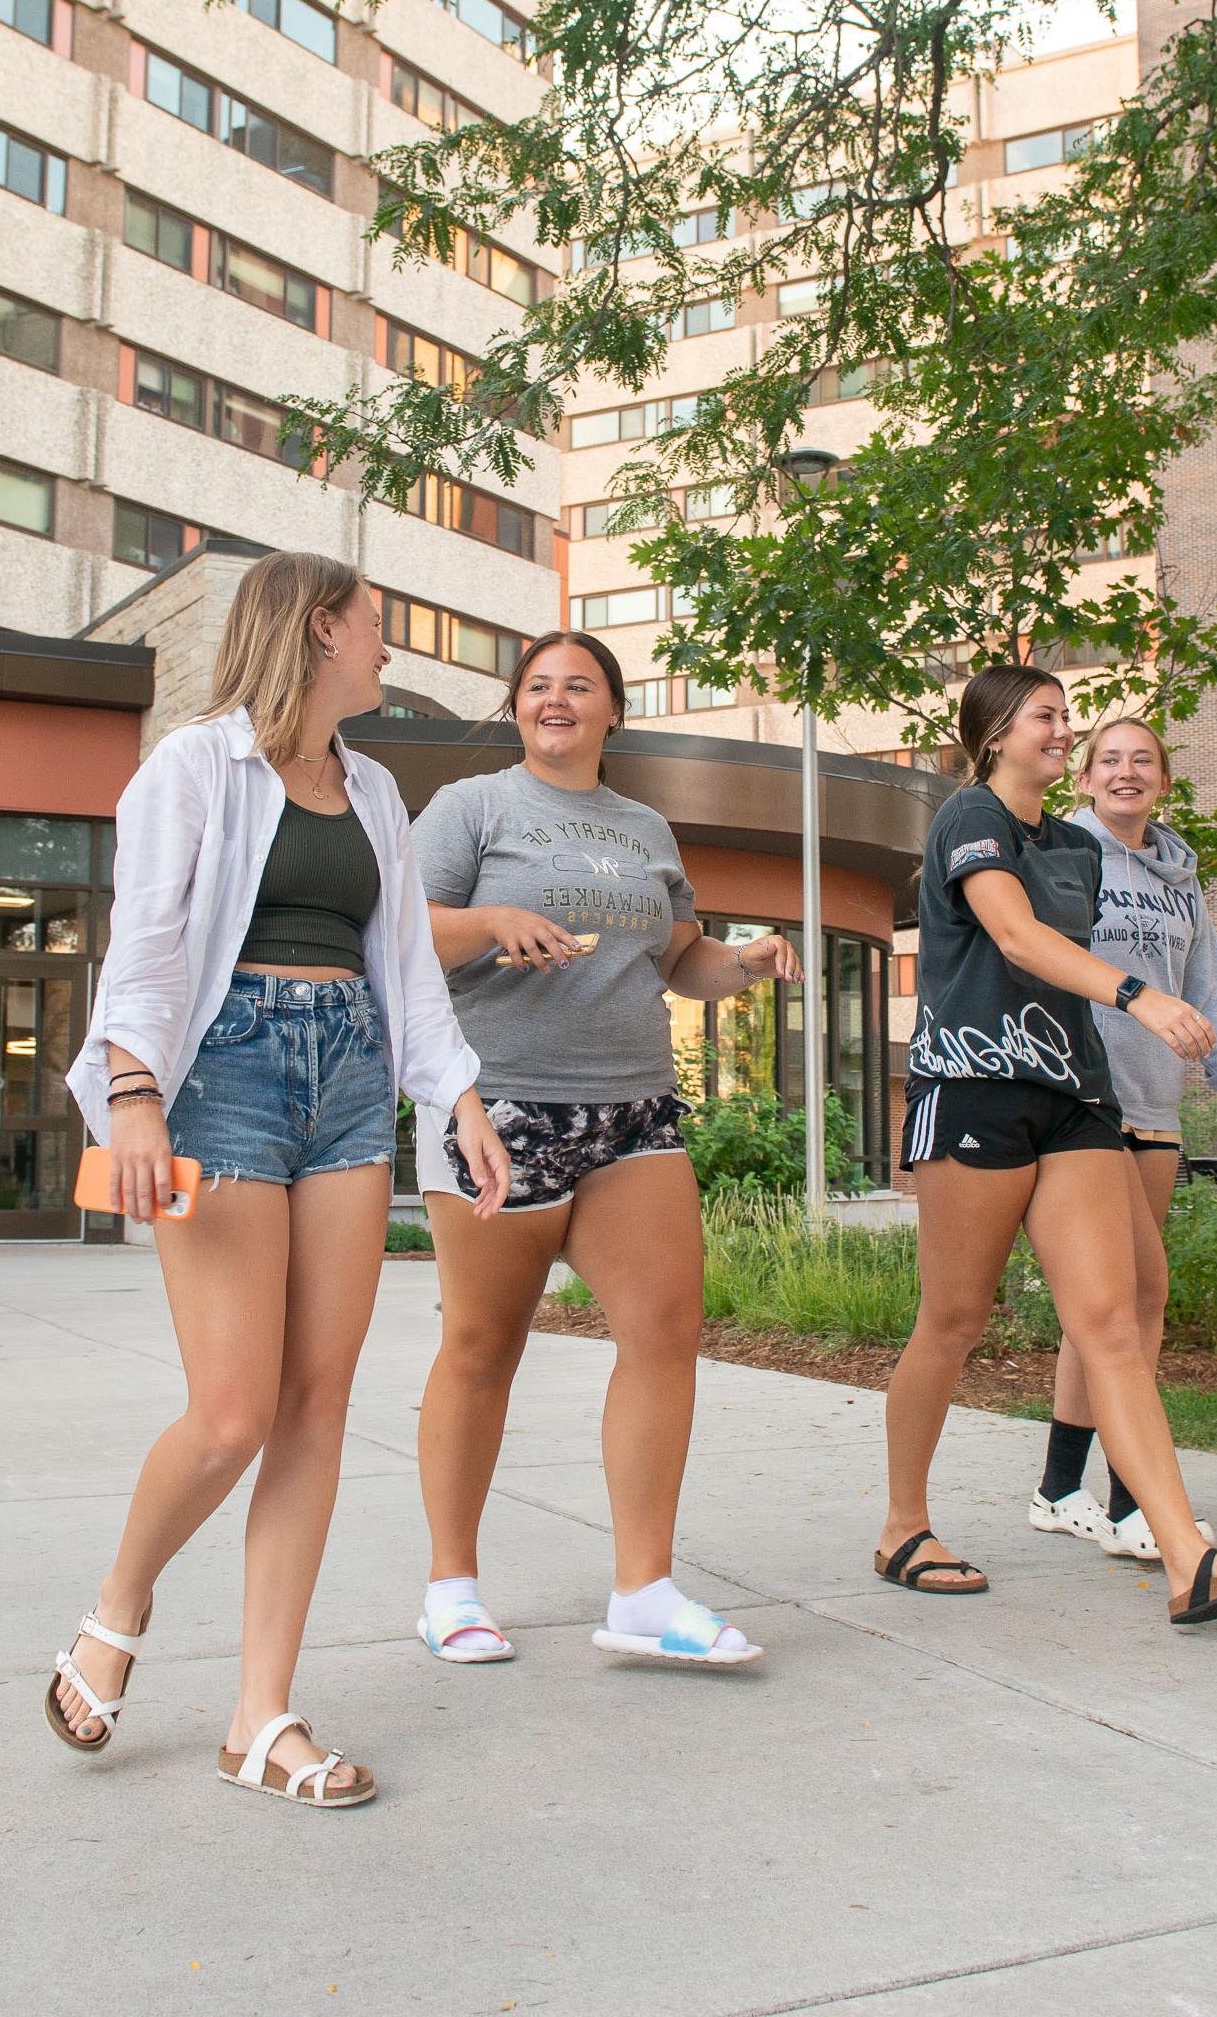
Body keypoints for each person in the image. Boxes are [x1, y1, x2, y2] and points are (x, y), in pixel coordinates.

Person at [48, 551, 513, 1811]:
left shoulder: (370, 788)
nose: (387, 647)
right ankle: (118, 1607)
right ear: (317, 630)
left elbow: (404, 961)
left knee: (316, 1405)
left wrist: (458, 1093)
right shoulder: (193, 767)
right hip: (225, 1081)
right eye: (375, 625)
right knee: (232, 1412)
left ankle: (261, 1715)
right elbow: (144, 941)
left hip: (351, 1075)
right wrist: (134, 1094)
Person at [876, 664, 1217, 1627]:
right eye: (1048, 719)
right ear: (992, 733)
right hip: (975, 1085)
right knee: (952, 1320)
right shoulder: (967, 818)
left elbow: (1154, 935)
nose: (1064, 733)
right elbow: (1017, 936)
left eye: (1067, 717)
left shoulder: (1073, 842)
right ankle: (903, 1525)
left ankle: (1189, 1556)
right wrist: (1140, 998)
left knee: (1111, 1323)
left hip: (1073, 1098)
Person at [407, 630, 796, 1668]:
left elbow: (679, 960)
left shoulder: (643, 827)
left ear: (612, 709)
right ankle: (450, 1586)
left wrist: (745, 962)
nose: (555, 698)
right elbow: (400, 929)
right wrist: (491, 916)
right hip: (501, 1106)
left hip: (632, 1110)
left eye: (578, 683)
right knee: (484, 1346)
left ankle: (643, 1587)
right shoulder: (473, 808)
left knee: (665, 1330)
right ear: (516, 706)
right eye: (537, 685)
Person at [1032, 718, 1217, 1563]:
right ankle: (1134, 1505)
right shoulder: (1062, 853)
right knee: (1129, 1302)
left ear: (1163, 781)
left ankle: (1062, 1489)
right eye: (1109, 760)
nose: (1126, 772)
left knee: (1115, 1308)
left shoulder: (1181, 883)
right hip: (1082, 1104)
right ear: (1086, 778)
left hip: (1155, 1108)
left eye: (1143, 761)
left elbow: (1213, 994)